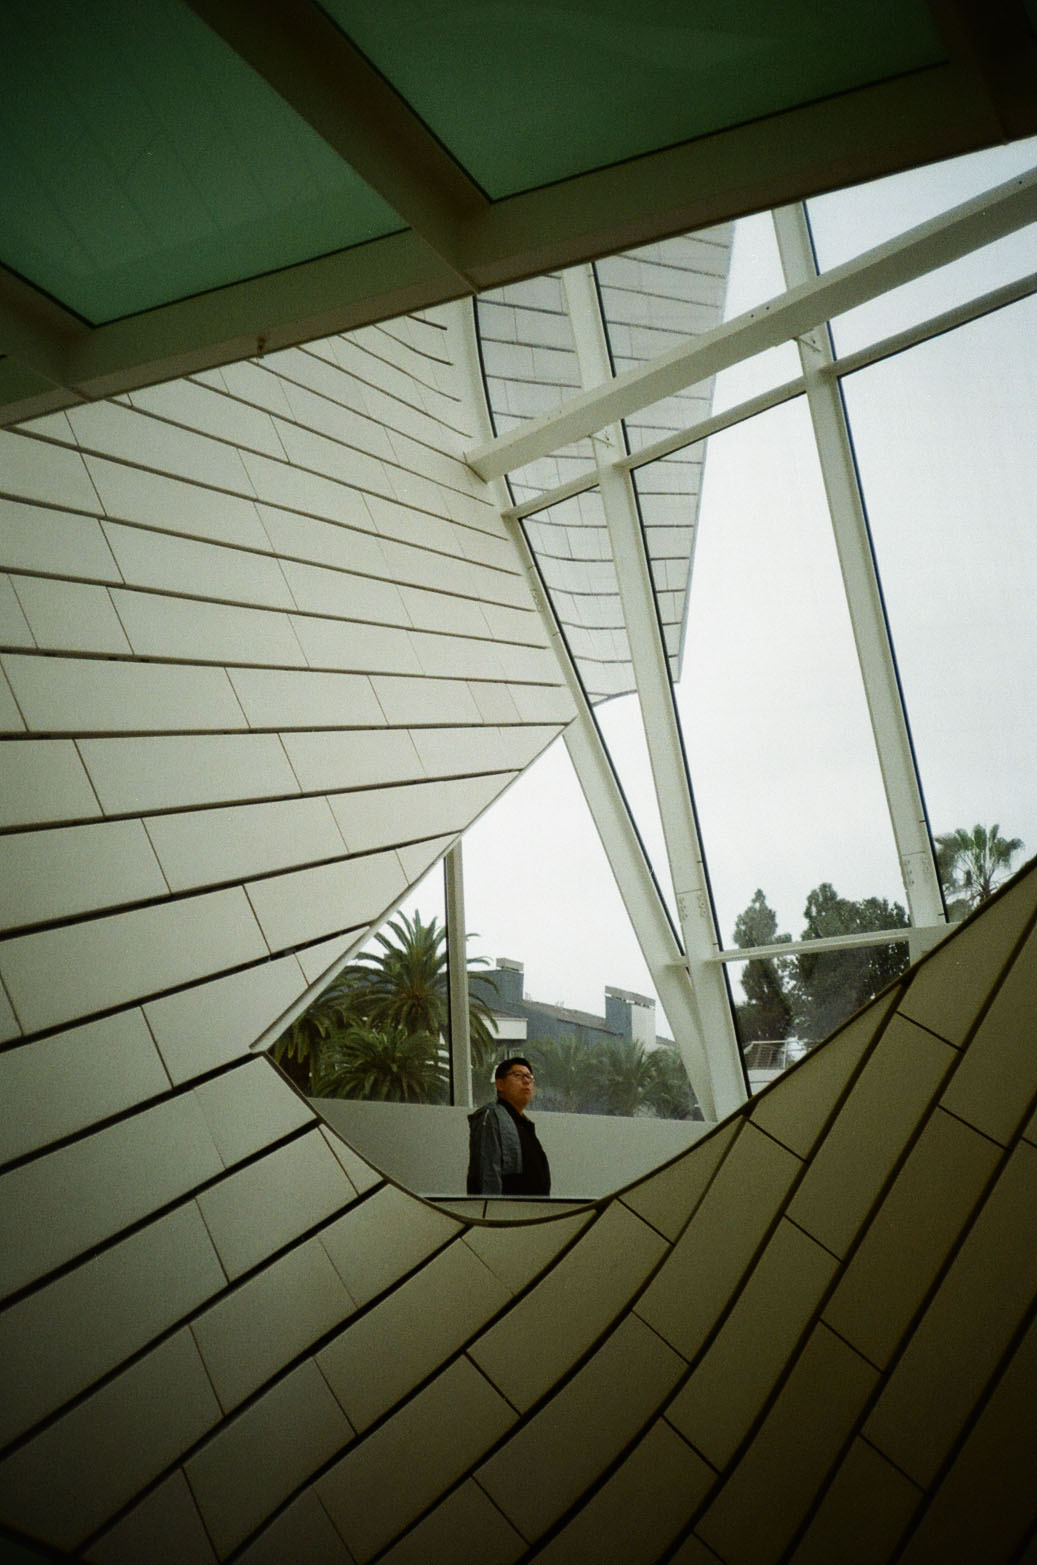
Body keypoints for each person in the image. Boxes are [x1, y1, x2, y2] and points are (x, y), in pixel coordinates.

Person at [467, 1057, 551, 1196]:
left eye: (529, 1077)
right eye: (518, 1075)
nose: (526, 1081)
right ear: (500, 1084)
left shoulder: (524, 1123)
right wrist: (493, 1211)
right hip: (507, 1213)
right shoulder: (491, 1116)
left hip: (533, 1211)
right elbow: (488, 1173)